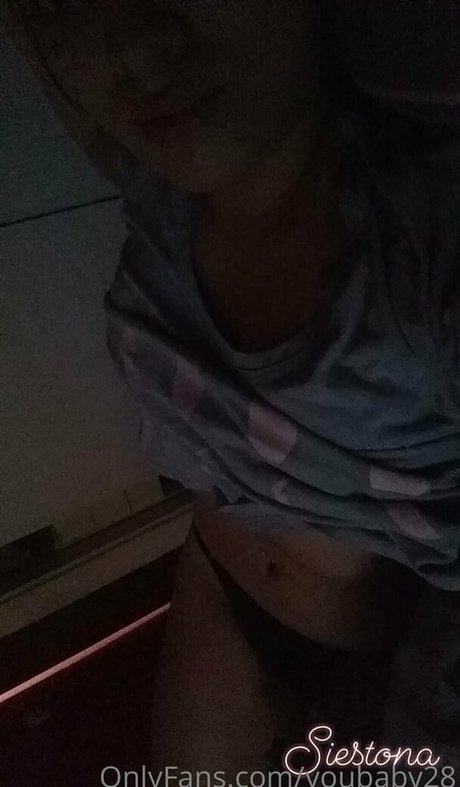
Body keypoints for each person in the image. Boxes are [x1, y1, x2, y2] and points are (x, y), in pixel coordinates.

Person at [3, 0, 459, 774]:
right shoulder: (160, 192)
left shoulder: (417, 256)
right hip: (222, 580)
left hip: (395, 654)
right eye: (69, 4)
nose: (136, 49)